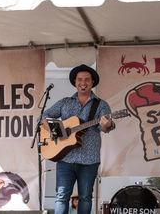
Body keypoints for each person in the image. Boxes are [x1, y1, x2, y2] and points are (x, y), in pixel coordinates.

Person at [42, 64, 115, 214]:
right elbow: (43, 117)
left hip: (89, 159)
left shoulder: (101, 105)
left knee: (85, 197)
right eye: (80, 79)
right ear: (75, 82)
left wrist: (107, 124)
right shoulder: (65, 102)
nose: (83, 82)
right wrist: (57, 131)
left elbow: (106, 127)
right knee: (61, 197)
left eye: (87, 79)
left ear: (92, 82)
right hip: (65, 157)